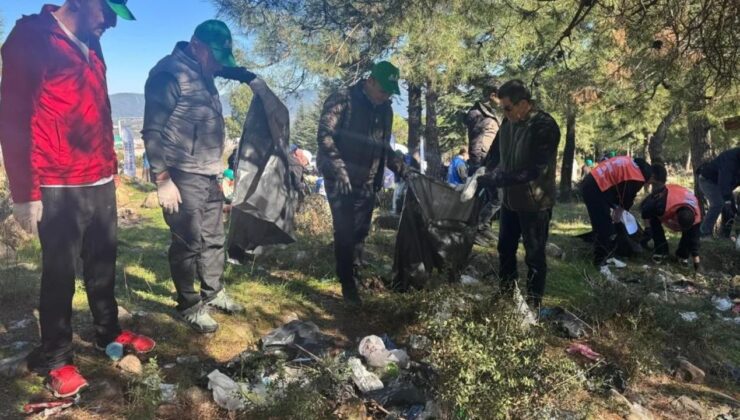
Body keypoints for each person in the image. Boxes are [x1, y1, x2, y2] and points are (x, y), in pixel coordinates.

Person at [0, 0, 155, 398]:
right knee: (60, 276)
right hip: (56, 183)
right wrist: (24, 193)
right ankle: (57, 358)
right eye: (109, 13)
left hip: (98, 178)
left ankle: (107, 331)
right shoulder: (31, 37)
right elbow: (14, 116)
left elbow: (96, 106)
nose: (113, 25)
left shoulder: (92, 40)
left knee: (103, 263)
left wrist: (111, 167)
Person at [142, 20, 255, 333]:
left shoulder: (204, 68)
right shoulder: (169, 74)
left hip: (208, 171)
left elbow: (224, 69)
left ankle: (214, 291)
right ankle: (189, 304)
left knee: (214, 238)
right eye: (215, 56)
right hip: (180, 172)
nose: (218, 64)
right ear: (196, 46)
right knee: (188, 242)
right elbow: (152, 130)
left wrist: (249, 77)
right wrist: (162, 178)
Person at [316, 61, 403, 304]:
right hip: (339, 176)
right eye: (383, 90)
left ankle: (354, 269)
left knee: (361, 230)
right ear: (370, 81)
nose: (385, 96)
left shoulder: (386, 109)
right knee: (344, 230)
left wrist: (403, 169)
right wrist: (339, 168)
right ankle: (347, 282)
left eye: (389, 92)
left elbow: (385, 146)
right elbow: (325, 136)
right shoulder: (342, 99)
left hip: (367, 178)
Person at [478, 79, 561, 309]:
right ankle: (506, 297)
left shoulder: (545, 126)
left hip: (535, 203)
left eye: (508, 108)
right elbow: (494, 154)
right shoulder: (508, 121)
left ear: (523, 104)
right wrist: (482, 171)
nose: (505, 113)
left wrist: (500, 179)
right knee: (505, 248)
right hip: (510, 202)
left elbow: (535, 170)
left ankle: (533, 305)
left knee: (534, 256)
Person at [580, 155, 660, 267]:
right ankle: (600, 262)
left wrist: (618, 208)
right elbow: (628, 196)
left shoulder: (632, 164)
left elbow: (620, 187)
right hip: (595, 188)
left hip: (595, 182)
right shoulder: (637, 176)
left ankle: (608, 255)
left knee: (602, 224)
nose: (648, 184)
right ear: (652, 176)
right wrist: (619, 212)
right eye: (651, 182)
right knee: (605, 227)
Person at [640, 184, 702, 270]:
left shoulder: (696, 218)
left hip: (682, 196)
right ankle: (661, 250)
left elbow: (694, 239)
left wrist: (696, 260)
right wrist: (648, 228)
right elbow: (646, 210)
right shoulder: (661, 204)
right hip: (671, 193)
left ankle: (682, 255)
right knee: (653, 220)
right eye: (679, 226)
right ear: (675, 217)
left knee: (690, 234)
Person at [697, 147, 739, 238]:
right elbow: (724, 180)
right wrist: (727, 200)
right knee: (718, 204)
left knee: (732, 209)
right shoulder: (730, 159)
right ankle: (704, 233)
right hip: (708, 181)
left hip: (724, 185)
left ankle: (725, 236)